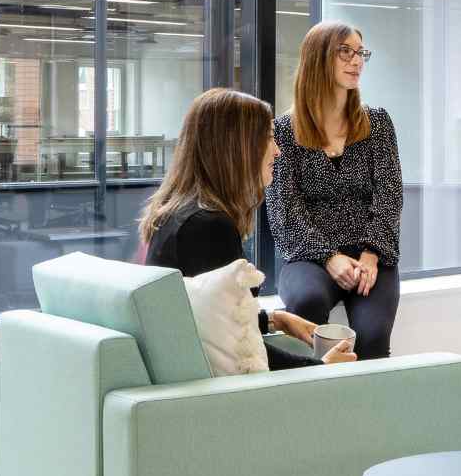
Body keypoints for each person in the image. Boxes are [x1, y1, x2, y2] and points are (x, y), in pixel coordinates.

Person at [140, 88, 357, 370]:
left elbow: (210, 323)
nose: (277, 150)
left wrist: (275, 319)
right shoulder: (209, 228)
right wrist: (319, 367)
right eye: (268, 137)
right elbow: (240, 353)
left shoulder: (179, 214)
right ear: (238, 146)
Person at [267, 22, 403, 360]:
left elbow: (390, 195)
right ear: (318, 58)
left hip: (370, 254)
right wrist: (329, 257)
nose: (356, 61)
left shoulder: (378, 123)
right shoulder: (283, 130)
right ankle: (314, 402)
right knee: (306, 302)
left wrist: (371, 254)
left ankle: (368, 410)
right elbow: (284, 212)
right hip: (309, 256)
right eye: (346, 51)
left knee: (371, 337)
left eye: (360, 53)